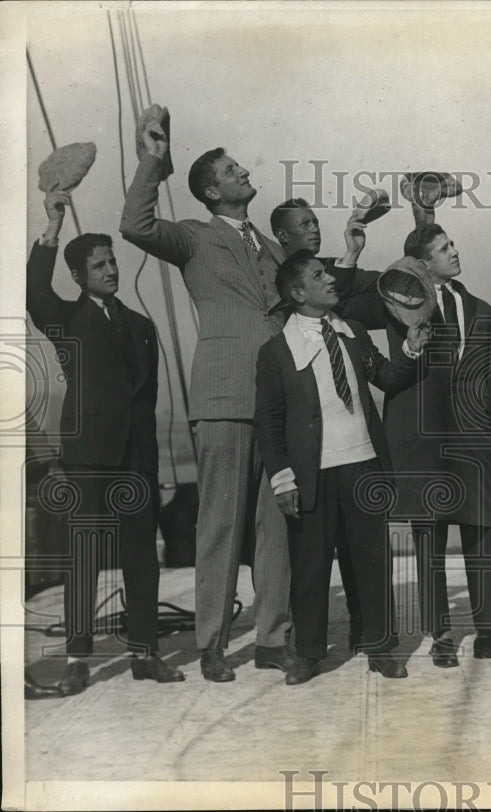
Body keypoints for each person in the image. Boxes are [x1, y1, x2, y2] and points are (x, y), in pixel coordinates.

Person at [121, 116, 292, 682]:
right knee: (220, 521)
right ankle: (212, 644)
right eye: (230, 169)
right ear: (213, 191)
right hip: (222, 395)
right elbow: (135, 224)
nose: (244, 170)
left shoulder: (271, 247)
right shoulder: (193, 235)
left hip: (277, 399)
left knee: (275, 525)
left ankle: (272, 640)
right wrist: (153, 158)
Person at [28, 187, 183, 693]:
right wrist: (51, 228)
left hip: (136, 460)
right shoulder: (67, 319)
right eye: (98, 265)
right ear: (79, 276)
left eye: (112, 262)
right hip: (90, 458)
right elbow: (34, 291)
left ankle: (145, 652)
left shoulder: (141, 326)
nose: (110, 270)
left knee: (141, 555)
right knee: (85, 557)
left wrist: (152, 468)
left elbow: (147, 399)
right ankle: (78, 658)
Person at [254, 251, 430, 683]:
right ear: (298, 293)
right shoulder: (275, 352)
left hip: (364, 464)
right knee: (311, 567)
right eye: (319, 275)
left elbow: (386, 377)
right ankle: (310, 653)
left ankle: (380, 648)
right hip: (313, 473)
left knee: (372, 563)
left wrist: (411, 347)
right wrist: (282, 479)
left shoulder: (351, 333)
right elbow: (269, 422)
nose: (330, 279)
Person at [381, 187, 491, 668]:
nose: (455, 251)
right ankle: (441, 634)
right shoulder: (402, 304)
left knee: (483, 532)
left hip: (474, 436)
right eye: (443, 249)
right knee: (430, 539)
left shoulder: (481, 309)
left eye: (453, 245)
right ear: (422, 263)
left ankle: (489, 633)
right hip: (426, 437)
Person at [269, 198, 385, 328]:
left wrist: (353, 252)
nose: (315, 229)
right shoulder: (273, 277)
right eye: (305, 224)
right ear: (282, 235)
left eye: (315, 222)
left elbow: (384, 284)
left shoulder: (330, 265)